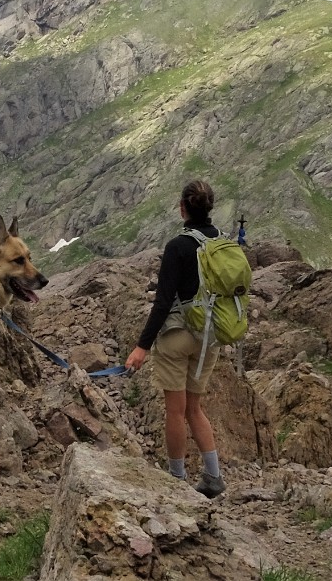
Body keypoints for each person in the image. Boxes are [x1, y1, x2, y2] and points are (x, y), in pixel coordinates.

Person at [124, 179, 226, 498]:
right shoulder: (222, 242)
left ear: (183, 208)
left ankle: (177, 481)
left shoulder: (177, 247)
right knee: (195, 409)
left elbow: (163, 301)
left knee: (174, 411)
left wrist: (141, 347)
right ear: (209, 207)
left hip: (179, 337)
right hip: (211, 334)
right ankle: (212, 476)